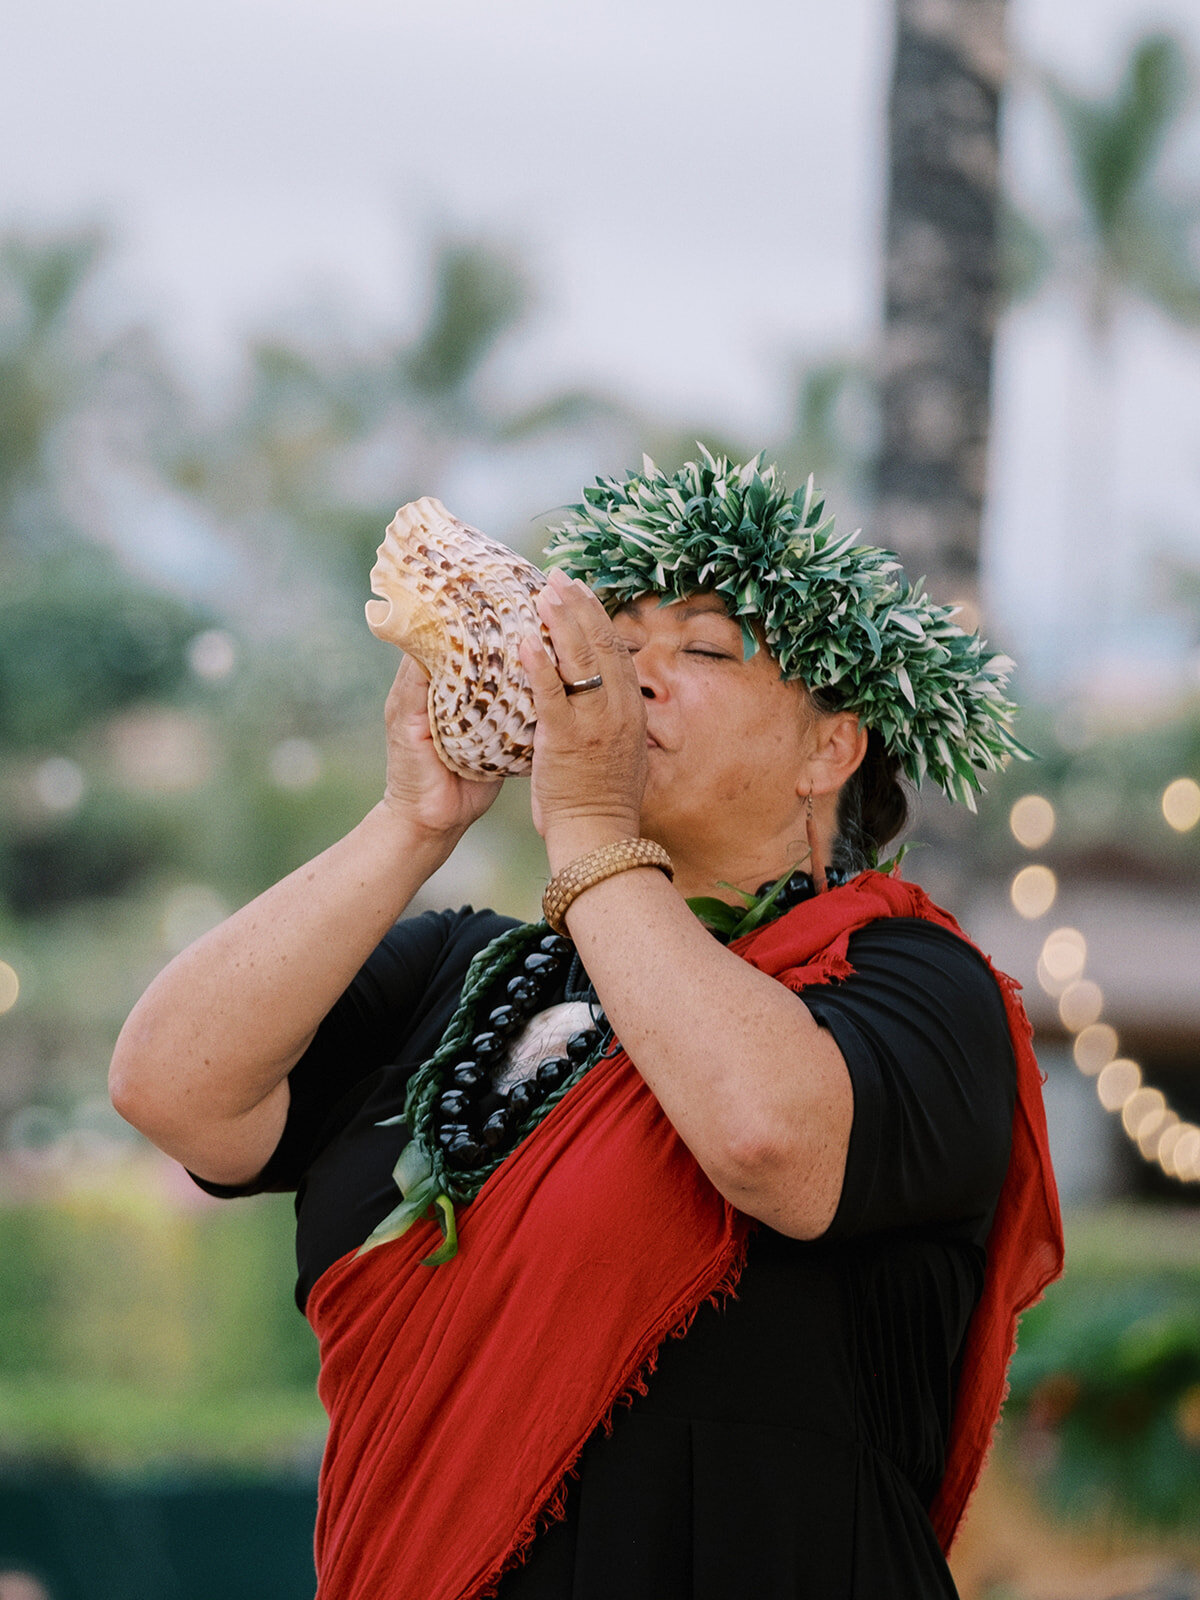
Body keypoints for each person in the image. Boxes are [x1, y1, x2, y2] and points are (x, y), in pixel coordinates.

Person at [110, 450, 1063, 1600]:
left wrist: (594, 831)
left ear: (832, 747)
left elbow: (771, 1140)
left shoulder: (915, 983)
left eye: (703, 650)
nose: (631, 679)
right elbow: (171, 1086)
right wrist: (416, 814)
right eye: (615, 645)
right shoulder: (460, 970)